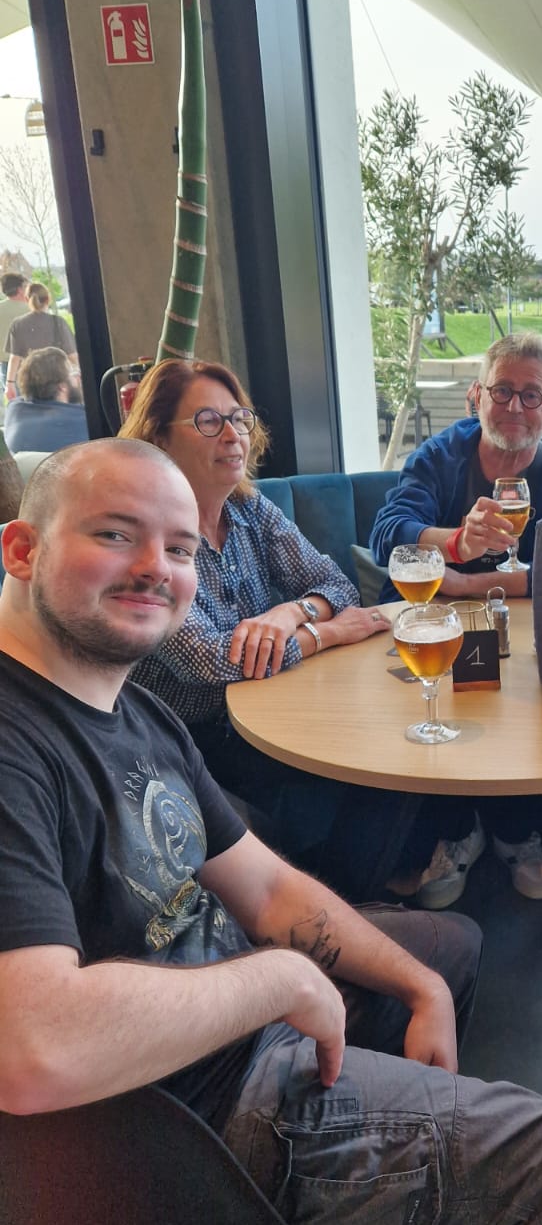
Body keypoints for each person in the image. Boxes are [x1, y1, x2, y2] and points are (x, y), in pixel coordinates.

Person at [0, 439, 542, 1225]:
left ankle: (392, 1181)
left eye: (180, 549)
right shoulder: (14, 747)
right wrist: (280, 979)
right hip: (165, 1150)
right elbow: (29, 1048)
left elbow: (268, 890)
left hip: (219, 1050)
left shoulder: (127, 709)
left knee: (446, 948)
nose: (157, 568)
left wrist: (419, 984)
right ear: (22, 550)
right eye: (114, 535)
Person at [120, 358, 416, 902]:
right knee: (379, 767)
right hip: (192, 738)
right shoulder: (149, 541)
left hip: (277, 702)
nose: (233, 435)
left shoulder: (249, 510)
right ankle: (344, 906)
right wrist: (325, 634)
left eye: (240, 419)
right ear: (160, 438)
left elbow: (334, 583)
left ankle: (375, 886)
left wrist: (288, 614)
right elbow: (214, 661)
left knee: (402, 734)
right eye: (208, 421)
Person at [370, 333, 542, 907]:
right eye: (502, 391)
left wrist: (466, 583)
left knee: (531, 707)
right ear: (476, 395)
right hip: (431, 633)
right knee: (435, 712)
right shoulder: (439, 457)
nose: (515, 407)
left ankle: (515, 833)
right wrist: (453, 542)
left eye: (531, 395)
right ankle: (454, 833)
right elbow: (386, 534)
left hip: (523, 636)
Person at [3, 346, 89, 452]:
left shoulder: (15, 409)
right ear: (62, 386)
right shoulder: (82, 422)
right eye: (73, 373)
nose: (78, 377)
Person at [4, 281, 78, 401]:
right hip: (57, 378)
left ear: (26, 299)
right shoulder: (58, 322)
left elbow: (14, 358)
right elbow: (72, 355)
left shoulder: (17, 324)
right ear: (48, 299)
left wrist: (9, 383)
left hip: (30, 380)